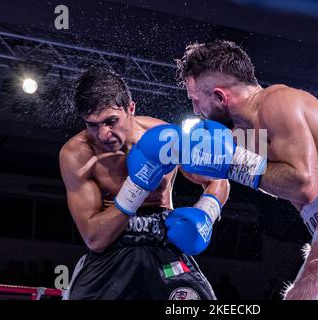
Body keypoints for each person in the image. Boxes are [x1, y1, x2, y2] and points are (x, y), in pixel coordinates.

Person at [167, 39, 318, 300]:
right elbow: (219, 172)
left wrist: (230, 163)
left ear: (219, 96)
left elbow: (303, 185)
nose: (195, 110)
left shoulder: (276, 103)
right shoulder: (248, 132)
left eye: (195, 99)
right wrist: (182, 153)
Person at [59, 66, 230, 300]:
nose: (103, 134)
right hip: (111, 254)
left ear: (131, 108)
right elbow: (95, 239)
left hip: (165, 247)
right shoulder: (78, 154)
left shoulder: (164, 135)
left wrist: (206, 214)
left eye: (111, 121)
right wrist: (137, 185)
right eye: (92, 124)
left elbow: (218, 180)